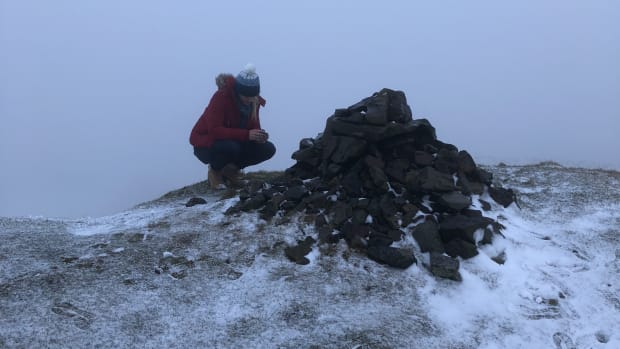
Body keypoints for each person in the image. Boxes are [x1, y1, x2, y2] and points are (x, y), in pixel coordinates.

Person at [190, 64, 276, 189]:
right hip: (206, 144)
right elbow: (214, 131)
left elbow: (253, 126)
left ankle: (230, 172)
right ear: (238, 91)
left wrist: (258, 136)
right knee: (231, 147)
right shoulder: (221, 97)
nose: (249, 99)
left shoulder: (254, 101)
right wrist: (247, 135)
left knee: (268, 149)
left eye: (252, 96)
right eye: (246, 96)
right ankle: (215, 171)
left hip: (235, 142)